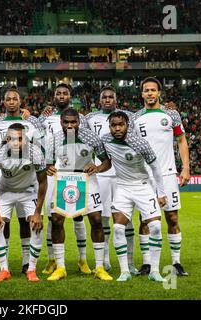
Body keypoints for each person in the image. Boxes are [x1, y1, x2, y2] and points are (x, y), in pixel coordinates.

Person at [132, 77, 190, 277]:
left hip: (167, 174)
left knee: (172, 217)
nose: (149, 93)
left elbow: (181, 141)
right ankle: (147, 264)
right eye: (146, 90)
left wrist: (186, 168)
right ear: (142, 94)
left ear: (159, 93)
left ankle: (176, 263)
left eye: (153, 90)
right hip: (144, 177)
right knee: (145, 220)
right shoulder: (135, 117)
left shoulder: (171, 114)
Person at [46, 108, 112, 281]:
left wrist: (97, 168)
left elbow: (107, 161)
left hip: (87, 179)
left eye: (73, 122)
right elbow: (47, 164)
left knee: (97, 220)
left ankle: (99, 267)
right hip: (64, 179)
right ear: (60, 122)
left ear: (79, 122)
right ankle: (61, 267)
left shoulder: (91, 137)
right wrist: (48, 167)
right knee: (57, 221)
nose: (69, 125)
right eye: (66, 122)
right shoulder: (53, 139)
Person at [0, 88, 44, 274]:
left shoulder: (31, 122)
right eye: (7, 99)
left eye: (14, 99)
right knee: (3, 222)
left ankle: (27, 264)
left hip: (28, 182)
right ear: (3, 102)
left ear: (20, 101)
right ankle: (5, 266)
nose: (11, 102)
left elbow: (40, 147)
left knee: (27, 223)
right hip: (5, 178)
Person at [101, 111, 166, 282]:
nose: (117, 128)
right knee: (118, 228)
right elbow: (105, 160)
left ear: (128, 125)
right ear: (109, 127)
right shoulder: (105, 140)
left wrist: (161, 192)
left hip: (143, 186)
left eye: (120, 124)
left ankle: (154, 271)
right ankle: (124, 271)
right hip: (122, 187)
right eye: (113, 125)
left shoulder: (139, 143)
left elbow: (156, 167)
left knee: (157, 227)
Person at [39, 83, 92, 276]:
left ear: (70, 96)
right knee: (53, 217)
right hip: (54, 173)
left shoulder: (82, 119)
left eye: (65, 93)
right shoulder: (44, 117)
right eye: (58, 93)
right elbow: (37, 140)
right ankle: (52, 259)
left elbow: (87, 140)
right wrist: (45, 163)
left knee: (79, 216)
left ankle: (82, 260)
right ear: (53, 96)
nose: (61, 96)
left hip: (76, 171)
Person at [85, 86, 138, 275]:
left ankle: (130, 262)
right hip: (102, 175)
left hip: (125, 173)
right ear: (100, 100)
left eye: (111, 97)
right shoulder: (89, 118)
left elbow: (150, 111)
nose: (107, 100)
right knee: (103, 219)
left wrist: (167, 107)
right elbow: (71, 124)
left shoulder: (129, 116)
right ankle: (105, 260)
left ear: (116, 99)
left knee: (127, 219)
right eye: (104, 97)